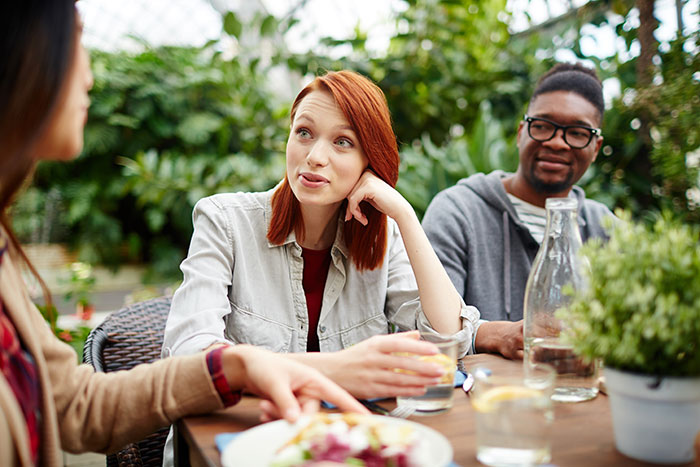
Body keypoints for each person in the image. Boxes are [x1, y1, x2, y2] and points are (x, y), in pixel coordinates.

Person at [0, 3, 369, 465]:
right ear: (21, 50)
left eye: (343, 141)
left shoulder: (377, 231)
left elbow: (75, 406)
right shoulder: (226, 219)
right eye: (75, 39)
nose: (90, 75)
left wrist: (234, 365)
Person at [162, 70, 479, 396]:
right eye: (303, 133)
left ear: (370, 161)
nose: (314, 157)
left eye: (343, 142)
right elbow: (190, 355)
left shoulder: (383, 237)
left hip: (347, 432)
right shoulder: (225, 222)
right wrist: (338, 369)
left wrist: (405, 215)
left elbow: (449, 340)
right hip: (243, 433)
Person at [422, 63, 614, 360]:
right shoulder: (458, 212)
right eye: (543, 126)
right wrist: (497, 335)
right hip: (484, 399)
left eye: (577, 133)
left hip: (583, 396)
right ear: (521, 131)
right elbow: (428, 331)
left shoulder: (605, 229)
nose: (556, 142)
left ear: (595, 147)